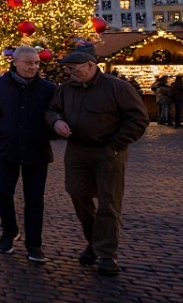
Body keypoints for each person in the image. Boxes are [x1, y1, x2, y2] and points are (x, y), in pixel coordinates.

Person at [45, 44, 149, 277]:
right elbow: (51, 110)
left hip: (108, 152)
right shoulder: (67, 89)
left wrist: (115, 145)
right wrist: (55, 122)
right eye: (68, 69)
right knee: (78, 195)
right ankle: (94, 242)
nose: (70, 73)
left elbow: (138, 119)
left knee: (108, 204)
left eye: (74, 69)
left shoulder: (117, 88)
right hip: (77, 151)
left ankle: (106, 253)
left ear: (91, 65)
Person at [0, 46, 56, 263]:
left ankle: (34, 243)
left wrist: (52, 127)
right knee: (3, 192)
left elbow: (55, 112)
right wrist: (0, 125)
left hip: (37, 149)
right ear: (15, 62)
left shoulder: (48, 88)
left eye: (36, 63)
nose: (33, 67)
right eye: (28, 63)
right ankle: (9, 231)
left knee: (35, 199)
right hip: (8, 147)